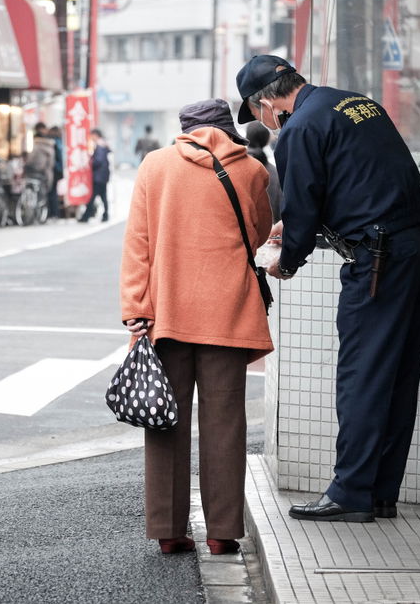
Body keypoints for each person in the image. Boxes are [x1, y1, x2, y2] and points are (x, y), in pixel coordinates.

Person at [236, 54, 420, 522]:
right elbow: (355, 182)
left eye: (258, 114)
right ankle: (379, 491)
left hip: (379, 261)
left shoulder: (300, 128)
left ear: (267, 103)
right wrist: (298, 226)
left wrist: (288, 260)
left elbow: (304, 203)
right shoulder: (354, 103)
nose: (264, 122)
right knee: (398, 375)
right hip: (416, 248)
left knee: (362, 375)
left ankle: (350, 493)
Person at [120, 98, 274, 555]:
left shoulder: (155, 166)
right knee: (225, 423)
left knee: (165, 420)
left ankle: (169, 531)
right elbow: (259, 234)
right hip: (229, 311)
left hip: (167, 311)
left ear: (185, 129)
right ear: (227, 129)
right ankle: (222, 533)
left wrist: (135, 307)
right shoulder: (252, 170)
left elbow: (138, 243)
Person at [245, 121, 282, 222]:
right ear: (266, 140)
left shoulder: (235, 167)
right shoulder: (274, 173)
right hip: (270, 228)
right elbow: (280, 211)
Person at [78, 129, 111, 223]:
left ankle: (86, 216)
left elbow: (98, 161)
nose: (91, 138)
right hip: (103, 176)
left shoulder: (100, 146)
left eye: (92, 135)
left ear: (96, 135)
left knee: (93, 197)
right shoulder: (103, 144)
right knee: (103, 196)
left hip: (99, 176)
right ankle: (104, 215)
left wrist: (91, 161)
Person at [25, 122, 55, 204]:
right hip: (43, 173)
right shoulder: (49, 145)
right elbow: (50, 164)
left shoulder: (34, 143)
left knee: (32, 192)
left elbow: (29, 159)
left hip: (32, 171)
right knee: (42, 195)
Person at [48, 125, 65, 219]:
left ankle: (53, 213)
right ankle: (55, 213)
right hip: (58, 171)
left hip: (53, 170)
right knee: (53, 192)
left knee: (51, 192)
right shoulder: (60, 141)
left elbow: (55, 158)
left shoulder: (53, 142)